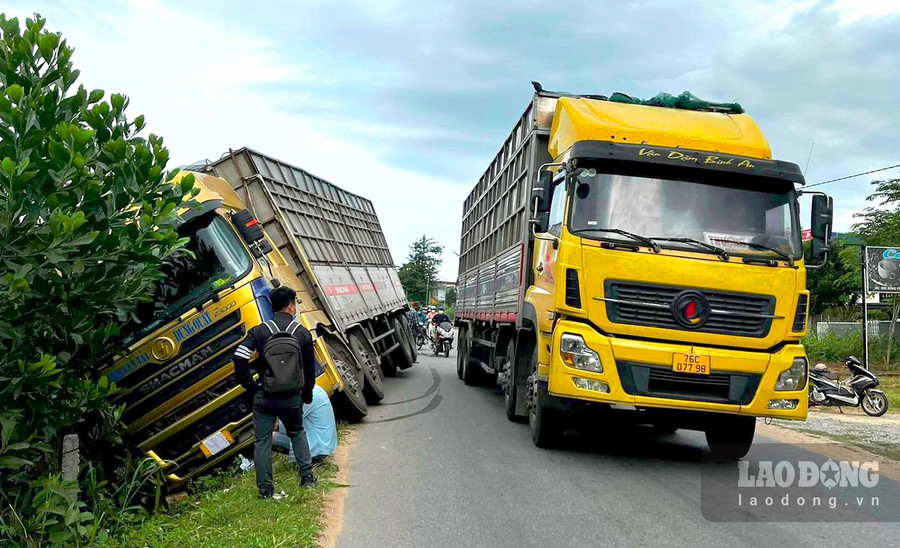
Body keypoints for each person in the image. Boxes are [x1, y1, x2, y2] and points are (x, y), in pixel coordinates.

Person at [234, 286, 317, 498]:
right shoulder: (301, 333)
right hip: (292, 396)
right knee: (297, 432)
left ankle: (265, 490)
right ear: (290, 306)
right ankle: (307, 477)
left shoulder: (259, 331)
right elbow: (309, 369)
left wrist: (250, 386)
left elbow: (239, 356)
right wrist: (306, 393)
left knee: (262, 441)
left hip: (265, 396)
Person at [272, 383, 338, 463]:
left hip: (316, 452)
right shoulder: (313, 389)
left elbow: (285, 427)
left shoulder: (304, 396)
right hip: (325, 447)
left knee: (267, 437)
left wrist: (276, 420)